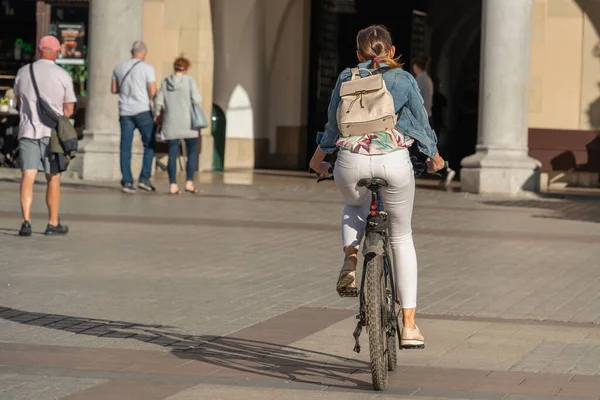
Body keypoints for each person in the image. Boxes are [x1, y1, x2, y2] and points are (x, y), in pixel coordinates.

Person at [309, 25, 445, 349]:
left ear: (358, 54)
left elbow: (332, 125)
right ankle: (409, 325)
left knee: (355, 206)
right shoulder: (404, 79)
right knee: (401, 236)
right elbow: (421, 122)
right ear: (392, 50)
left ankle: (351, 258)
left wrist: (318, 162)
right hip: (394, 162)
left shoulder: (346, 77)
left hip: (350, 162)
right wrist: (435, 158)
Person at [13, 35, 76, 236]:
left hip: (28, 131)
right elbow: (69, 109)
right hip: (52, 135)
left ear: (40, 50)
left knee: (28, 175)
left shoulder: (23, 72)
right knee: (53, 178)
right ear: (56, 52)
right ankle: (52, 223)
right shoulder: (62, 75)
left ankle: (26, 222)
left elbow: (18, 103)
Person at [112, 40, 157, 194]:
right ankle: (144, 178)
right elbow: (152, 91)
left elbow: (113, 89)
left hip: (125, 111)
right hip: (142, 110)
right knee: (149, 144)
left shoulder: (119, 67)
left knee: (125, 146)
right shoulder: (147, 68)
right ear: (144, 53)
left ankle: (127, 181)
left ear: (132, 52)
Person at [154, 57, 201, 194]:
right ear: (186, 69)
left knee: (172, 153)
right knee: (192, 151)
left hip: (171, 122)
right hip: (188, 123)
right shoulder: (190, 81)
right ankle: (189, 183)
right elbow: (197, 99)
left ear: (174, 68)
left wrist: (157, 114)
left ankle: (173, 185)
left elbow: (158, 101)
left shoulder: (165, 81)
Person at [412, 54, 456, 189]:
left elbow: (416, 101)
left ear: (415, 66)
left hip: (421, 120)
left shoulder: (420, 79)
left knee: (424, 151)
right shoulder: (427, 79)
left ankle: (445, 170)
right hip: (426, 117)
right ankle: (444, 170)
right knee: (426, 151)